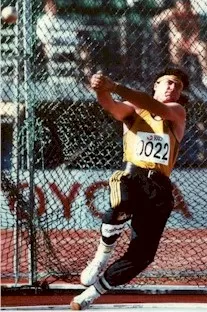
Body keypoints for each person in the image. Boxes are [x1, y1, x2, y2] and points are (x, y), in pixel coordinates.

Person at [70, 67, 189, 310]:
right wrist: (100, 90)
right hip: (133, 177)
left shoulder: (176, 112)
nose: (172, 88)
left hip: (160, 188)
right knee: (121, 203)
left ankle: (90, 295)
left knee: (143, 256)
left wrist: (113, 86)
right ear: (155, 85)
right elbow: (111, 106)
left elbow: (154, 106)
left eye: (178, 86)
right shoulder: (134, 109)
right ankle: (100, 257)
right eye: (168, 82)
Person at [151, 0, 207, 87]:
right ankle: (178, 75)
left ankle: (205, 75)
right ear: (177, 4)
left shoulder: (193, 15)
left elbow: (196, 31)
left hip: (191, 43)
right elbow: (155, 20)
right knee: (177, 40)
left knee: (202, 47)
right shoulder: (172, 13)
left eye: (186, 2)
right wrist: (159, 22)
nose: (184, 5)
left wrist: (192, 40)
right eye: (182, 3)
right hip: (177, 44)